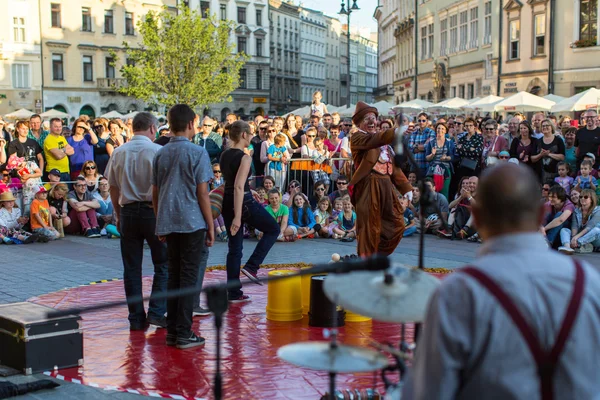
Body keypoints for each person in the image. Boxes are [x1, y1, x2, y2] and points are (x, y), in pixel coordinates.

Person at [403, 162, 600, 400]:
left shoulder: (460, 293)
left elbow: (429, 392)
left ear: (476, 215)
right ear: (540, 215)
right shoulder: (588, 283)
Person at [153, 104, 214, 348]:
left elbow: (155, 193)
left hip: (168, 220)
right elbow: (203, 193)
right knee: (188, 277)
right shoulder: (198, 152)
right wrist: (210, 224)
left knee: (174, 276)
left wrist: (160, 221)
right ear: (191, 124)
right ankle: (184, 332)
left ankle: (173, 330)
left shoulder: (160, 152)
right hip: (191, 221)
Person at [105, 113, 170, 329]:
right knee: (163, 263)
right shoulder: (157, 151)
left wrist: (118, 213)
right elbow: (162, 188)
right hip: (152, 211)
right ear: (153, 128)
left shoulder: (118, 151)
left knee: (131, 267)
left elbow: (112, 187)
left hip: (129, 211)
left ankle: (136, 318)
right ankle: (157, 311)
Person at [220, 120, 279, 303]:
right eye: (251, 133)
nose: (252, 137)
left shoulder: (224, 155)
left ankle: (234, 293)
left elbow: (233, 183)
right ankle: (253, 266)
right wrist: (238, 216)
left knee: (234, 248)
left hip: (228, 200)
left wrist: (249, 190)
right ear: (244, 135)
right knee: (273, 229)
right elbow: (238, 186)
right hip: (242, 202)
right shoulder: (244, 157)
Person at [349, 102, 412, 256]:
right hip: (368, 187)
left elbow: (394, 169)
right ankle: (366, 261)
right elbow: (374, 140)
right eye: (366, 119)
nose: (371, 122)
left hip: (386, 187)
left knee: (397, 224)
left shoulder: (384, 146)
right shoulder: (357, 138)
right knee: (370, 227)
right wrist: (395, 131)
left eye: (373, 118)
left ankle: (377, 256)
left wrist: (406, 188)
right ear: (359, 123)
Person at [558, 189, 600, 254]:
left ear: (592, 199)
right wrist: (573, 237)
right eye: (581, 197)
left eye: (585, 197)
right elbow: (574, 226)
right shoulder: (577, 211)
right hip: (580, 236)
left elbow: (589, 227)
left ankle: (576, 245)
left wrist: (576, 239)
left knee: (597, 230)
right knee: (564, 230)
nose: (582, 198)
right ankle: (567, 247)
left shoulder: (598, 210)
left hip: (594, 239)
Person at [425, 122, 455, 199]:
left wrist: (447, 158)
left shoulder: (449, 142)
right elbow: (427, 158)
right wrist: (432, 154)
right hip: (433, 170)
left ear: (445, 131)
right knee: (432, 193)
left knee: (444, 193)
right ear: (436, 130)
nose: (440, 130)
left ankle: (444, 210)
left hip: (445, 170)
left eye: (442, 128)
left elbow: (453, 157)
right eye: (438, 128)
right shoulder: (431, 142)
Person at [531, 118, 565, 184]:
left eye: (547, 125)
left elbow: (562, 157)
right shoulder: (538, 141)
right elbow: (532, 158)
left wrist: (548, 154)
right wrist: (541, 155)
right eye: (543, 126)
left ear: (551, 127)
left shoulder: (558, 140)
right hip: (541, 175)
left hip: (556, 174)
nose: (545, 127)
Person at [43, 118, 73, 182]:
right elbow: (58, 156)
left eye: (60, 126)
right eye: (56, 127)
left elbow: (72, 151)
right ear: (50, 127)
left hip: (66, 171)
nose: (58, 128)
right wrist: (65, 150)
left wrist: (62, 150)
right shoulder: (49, 139)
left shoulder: (62, 138)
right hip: (55, 173)